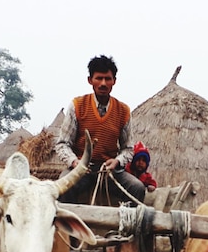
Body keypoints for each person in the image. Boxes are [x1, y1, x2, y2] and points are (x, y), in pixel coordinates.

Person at [54, 55, 145, 204]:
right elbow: (63, 144)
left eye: (108, 79)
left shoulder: (123, 110)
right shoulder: (77, 105)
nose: (103, 83)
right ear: (90, 80)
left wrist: (116, 162)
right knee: (63, 186)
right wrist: (76, 163)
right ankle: (65, 227)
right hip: (80, 169)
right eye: (99, 78)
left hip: (110, 171)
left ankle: (128, 226)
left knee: (137, 188)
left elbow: (128, 149)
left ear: (114, 81)